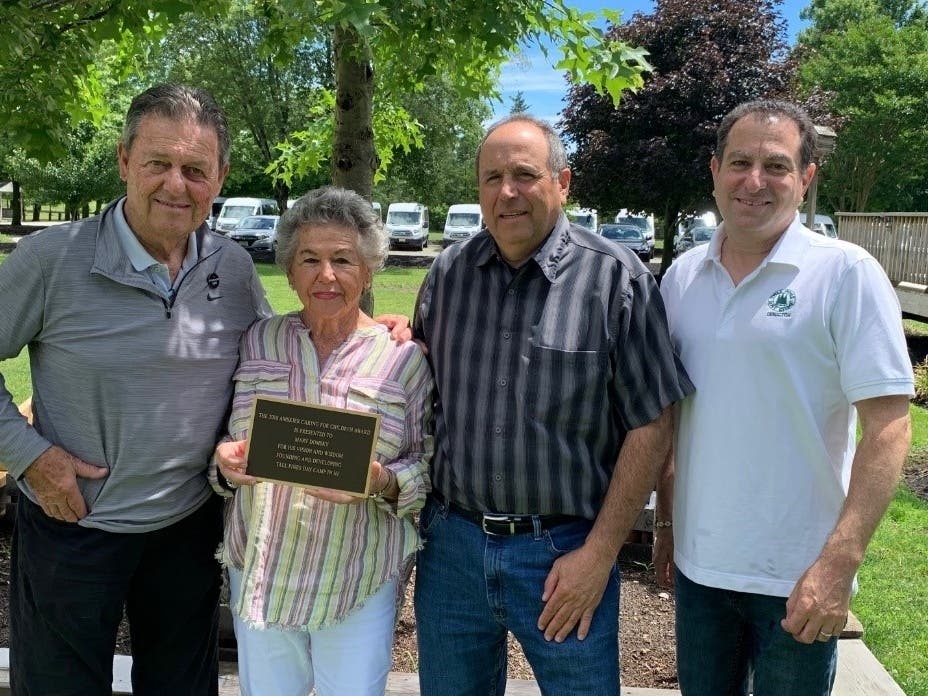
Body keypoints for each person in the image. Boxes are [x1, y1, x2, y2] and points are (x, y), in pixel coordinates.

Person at [0, 83, 271, 695]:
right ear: (124, 160)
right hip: (73, 525)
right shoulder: (51, 258)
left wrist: (366, 330)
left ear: (220, 178)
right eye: (159, 164)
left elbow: (278, 352)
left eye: (196, 169)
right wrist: (28, 456)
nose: (177, 184)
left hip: (188, 528)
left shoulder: (231, 267)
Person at [411, 114, 693, 695]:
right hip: (453, 551)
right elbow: (418, 389)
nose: (507, 192)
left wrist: (599, 554)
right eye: (492, 177)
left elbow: (653, 423)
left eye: (524, 175)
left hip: (564, 553)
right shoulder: (448, 274)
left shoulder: (616, 280)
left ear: (562, 183)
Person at [655, 99, 914, 695]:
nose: (754, 181)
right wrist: (667, 524)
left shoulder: (846, 274)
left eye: (775, 165)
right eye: (739, 162)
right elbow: (675, 417)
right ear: (714, 170)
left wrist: (839, 563)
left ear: (806, 177)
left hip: (800, 574)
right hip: (702, 568)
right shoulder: (681, 278)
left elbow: (889, 427)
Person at [213, 186, 433, 696]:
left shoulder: (404, 360)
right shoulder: (258, 339)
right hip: (263, 568)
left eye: (343, 260)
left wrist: (382, 480)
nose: (326, 275)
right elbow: (227, 435)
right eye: (309, 259)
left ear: (369, 269)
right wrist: (224, 462)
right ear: (289, 271)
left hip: (356, 571)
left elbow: (428, 463)